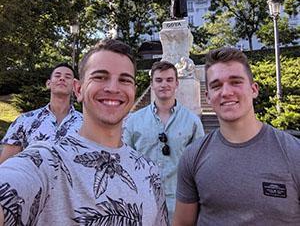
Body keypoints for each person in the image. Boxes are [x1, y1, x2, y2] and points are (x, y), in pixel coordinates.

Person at [0, 39, 168, 225]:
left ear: (134, 92)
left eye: (124, 80)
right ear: (78, 89)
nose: (113, 88)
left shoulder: (149, 171)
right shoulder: (46, 161)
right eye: (100, 77)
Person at [173, 47, 300, 225]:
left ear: (254, 89)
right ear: (208, 97)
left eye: (236, 82)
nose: (226, 92)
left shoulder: (294, 153)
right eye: (216, 85)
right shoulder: (192, 156)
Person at [123, 60, 204, 222]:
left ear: (176, 83)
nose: (164, 84)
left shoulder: (192, 121)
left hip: (181, 202)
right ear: (152, 84)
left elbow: (200, 165)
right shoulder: (133, 121)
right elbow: (125, 162)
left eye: (169, 80)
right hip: (142, 199)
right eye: (158, 80)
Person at [0, 63, 83, 163]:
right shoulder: (24, 120)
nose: (62, 78)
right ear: (48, 83)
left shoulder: (86, 124)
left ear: (75, 86)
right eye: (57, 75)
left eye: (68, 77)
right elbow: (5, 165)